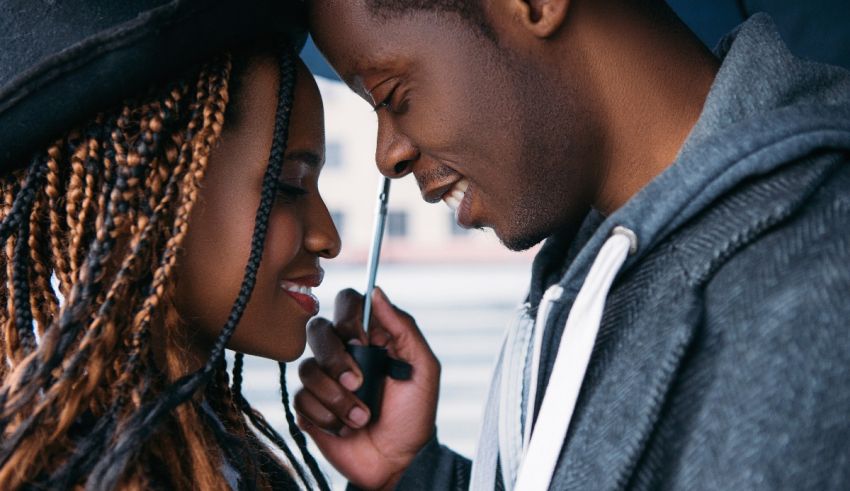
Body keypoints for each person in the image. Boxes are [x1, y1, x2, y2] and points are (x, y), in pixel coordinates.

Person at [295, 0, 850, 489]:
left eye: (392, 95)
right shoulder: (603, 264)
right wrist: (415, 475)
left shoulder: (816, 293)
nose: (386, 155)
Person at [0, 2, 341, 489]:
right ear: (145, 198)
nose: (328, 237)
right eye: (288, 184)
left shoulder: (223, 458)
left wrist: (405, 473)